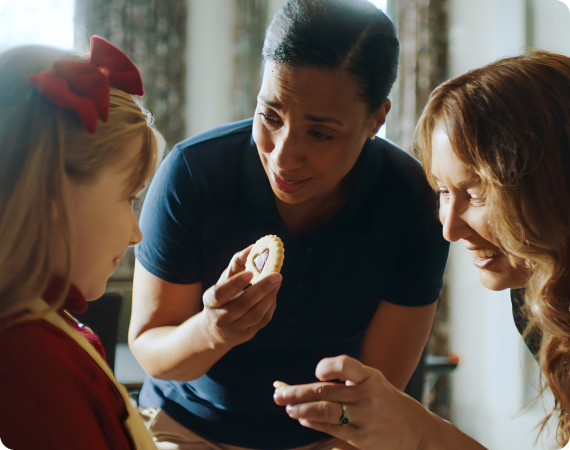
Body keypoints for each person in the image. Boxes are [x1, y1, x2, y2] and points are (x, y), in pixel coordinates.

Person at [129, 1, 449, 449]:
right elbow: (150, 349)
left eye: (320, 134)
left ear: (376, 119)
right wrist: (212, 330)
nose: (282, 155)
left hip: (329, 436)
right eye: (270, 116)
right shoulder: (194, 173)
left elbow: (377, 393)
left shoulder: (411, 200)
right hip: (185, 426)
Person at [273, 49, 570, 450]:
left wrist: (421, 432)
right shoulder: (540, 294)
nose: (449, 229)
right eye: (444, 191)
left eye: (477, 193)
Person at [0, 36, 163, 449]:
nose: (135, 233)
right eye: (128, 197)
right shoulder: (30, 365)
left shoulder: (52, 324)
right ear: (54, 190)